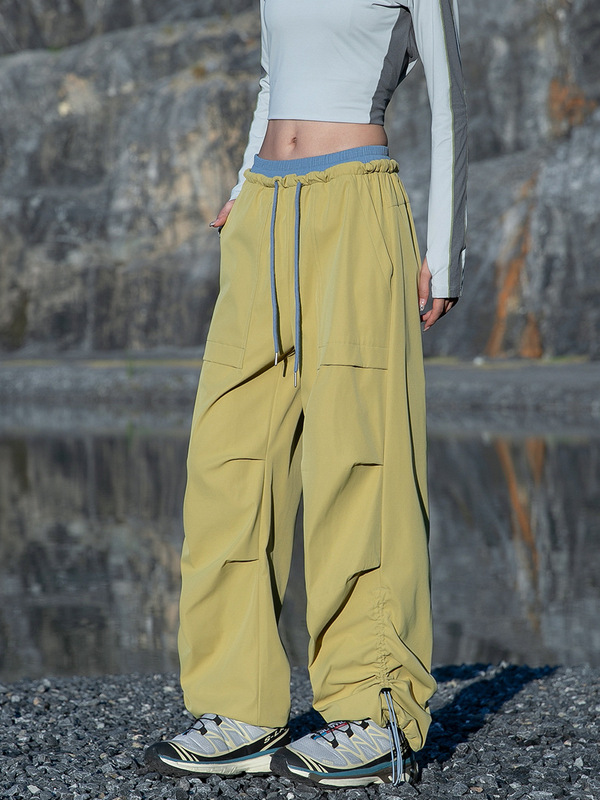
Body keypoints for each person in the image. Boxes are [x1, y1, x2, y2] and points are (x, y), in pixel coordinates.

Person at [145, 0, 467, 788]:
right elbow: (273, 78)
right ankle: (240, 710)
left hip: (356, 203)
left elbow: (451, 101)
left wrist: (445, 249)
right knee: (228, 463)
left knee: (359, 466)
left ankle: (374, 712)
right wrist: (242, 183)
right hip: (264, 207)